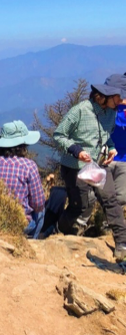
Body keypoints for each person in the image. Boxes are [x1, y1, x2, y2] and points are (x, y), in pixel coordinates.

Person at [55, 74, 126, 262]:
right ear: (103, 96)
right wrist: (76, 150)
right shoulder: (80, 111)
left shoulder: (111, 112)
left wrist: (111, 148)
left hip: (98, 165)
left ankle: (122, 244)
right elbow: (59, 134)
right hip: (75, 167)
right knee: (81, 206)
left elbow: (106, 134)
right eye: (118, 97)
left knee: (111, 200)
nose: (120, 102)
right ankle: (61, 229)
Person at [0, 120, 46, 239]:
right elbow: (38, 204)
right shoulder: (28, 166)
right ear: (22, 146)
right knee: (41, 211)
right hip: (20, 224)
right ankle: (31, 243)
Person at [108, 97, 126, 207]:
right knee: (100, 194)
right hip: (105, 156)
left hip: (124, 159)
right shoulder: (108, 105)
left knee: (121, 197)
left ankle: (111, 223)